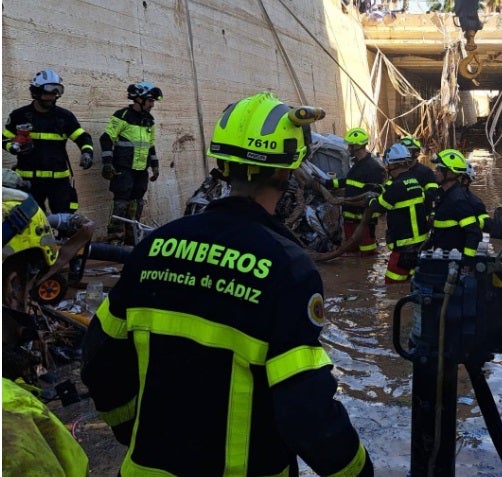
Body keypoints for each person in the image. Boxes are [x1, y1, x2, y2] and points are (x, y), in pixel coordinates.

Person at [81, 92, 373, 476]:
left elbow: (100, 358)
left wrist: (129, 428)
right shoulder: (288, 269)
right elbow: (304, 407)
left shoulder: (153, 246)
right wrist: (356, 470)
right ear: (287, 171)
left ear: (221, 163)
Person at [2, 69, 94, 214]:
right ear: (36, 92)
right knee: (31, 222)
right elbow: (4, 139)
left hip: (58, 182)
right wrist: (13, 147)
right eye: (48, 92)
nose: (51, 97)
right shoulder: (19, 116)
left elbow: (83, 137)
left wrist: (87, 152)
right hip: (28, 182)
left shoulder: (64, 117)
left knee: (66, 222)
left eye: (55, 93)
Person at [100, 81, 162, 244]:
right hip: (123, 168)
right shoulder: (122, 116)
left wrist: (155, 165)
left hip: (141, 169)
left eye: (153, 102)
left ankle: (131, 238)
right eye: (150, 101)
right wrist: (107, 163)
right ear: (139, 99)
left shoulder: (149, 120)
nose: (152, 105)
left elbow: (150, 144)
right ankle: (115, 239)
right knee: (121, 203)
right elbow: (106, 138)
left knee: (137, 203)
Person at [368, 143, 429, 284]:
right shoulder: (415, 182)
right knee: (413, 284)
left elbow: (378, 207)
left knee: (391, 286)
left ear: (392, 165)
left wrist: (370, 200)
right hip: (420, 246)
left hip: (403, 249)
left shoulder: (396, 187)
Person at [323, 127, 385, 256]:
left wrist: (348, 201)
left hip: (364, 219)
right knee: (351, 251)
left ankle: (366, 275)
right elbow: (349, 182)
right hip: (350, 216)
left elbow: (374, 194)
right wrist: (327, 183)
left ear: (357, 146)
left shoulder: (373, 168)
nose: (348, 149)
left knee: (367, 254)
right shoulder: (357, 164)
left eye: (350, 146)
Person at [426, 148, 490, 272]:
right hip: (443, 256)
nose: (435, 172)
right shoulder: (442, 194)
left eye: (439, 169)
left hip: (454, 262)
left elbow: (474, 233)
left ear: (450, 173)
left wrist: (466, 262)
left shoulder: (457, 200)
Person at [399, 135, 439, 208]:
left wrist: (415, 194)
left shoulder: (425, 172)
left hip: (421, 215)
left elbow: (433, 192)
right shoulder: (398, 171)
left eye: (408, 151)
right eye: (401, 151)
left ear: (416, 153)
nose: (403, 154)